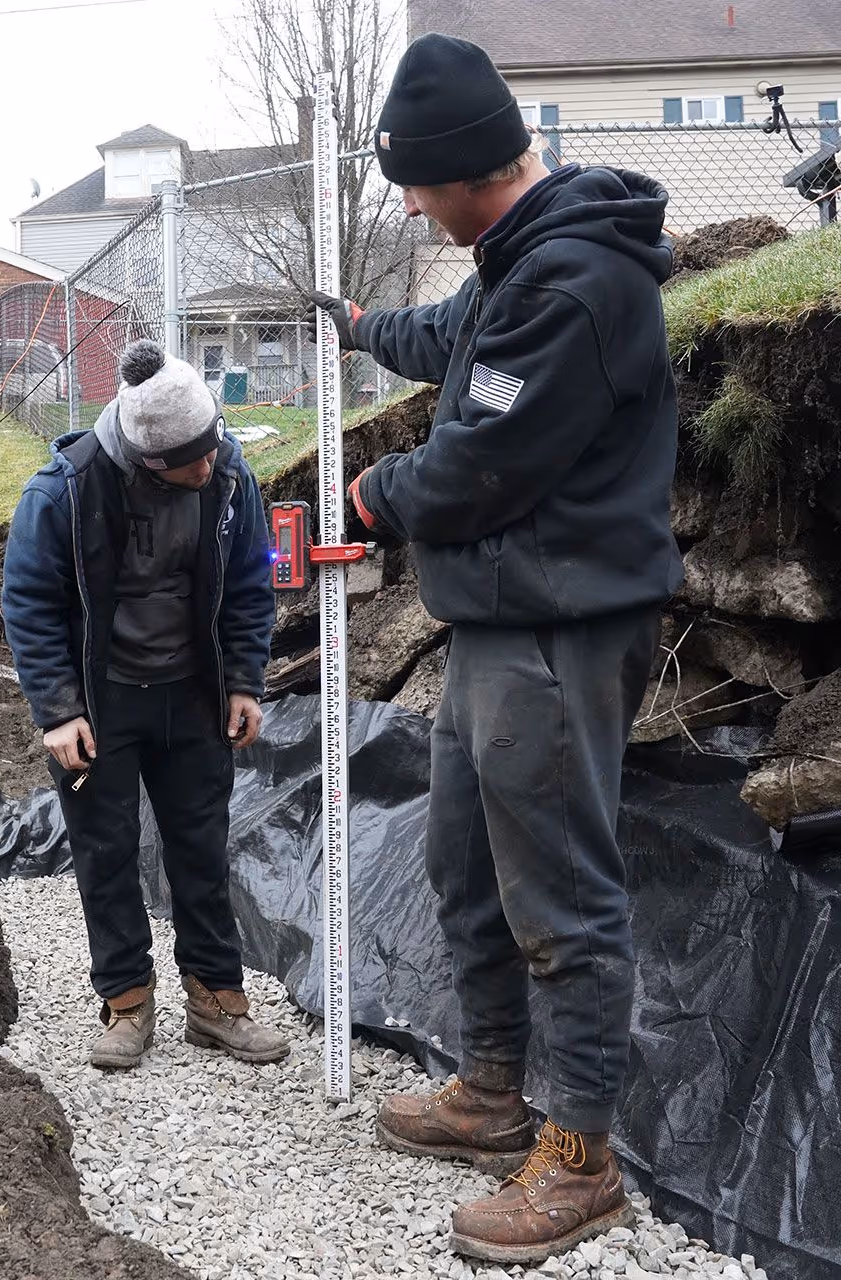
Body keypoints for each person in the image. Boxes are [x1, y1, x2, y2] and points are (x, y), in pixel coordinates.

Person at [312, 33, 682, 1266]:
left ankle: (578, 1158)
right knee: (461, 859)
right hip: (499, 620)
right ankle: (489, 1087)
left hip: (557, 627)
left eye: (415, 184)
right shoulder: (515, 265)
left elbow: (479, 464)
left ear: (467, 169)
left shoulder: (575, 285)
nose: (410, 203)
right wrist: (362, 326)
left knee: (557, 894)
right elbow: (449, 337)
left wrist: (372, 491)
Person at [2, 339, 288, 1071]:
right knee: (106, 851)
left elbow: (252, 580)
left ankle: (216, 999)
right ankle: (126, 1002)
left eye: (214, 447)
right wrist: (57, 710)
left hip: (194, 695)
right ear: (149, 460)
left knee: (202, 848)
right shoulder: (63, 491)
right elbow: (29, 603)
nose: (212, 464)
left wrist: (244, 681)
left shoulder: (226, 476)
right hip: (100, 705)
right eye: (193, 459)